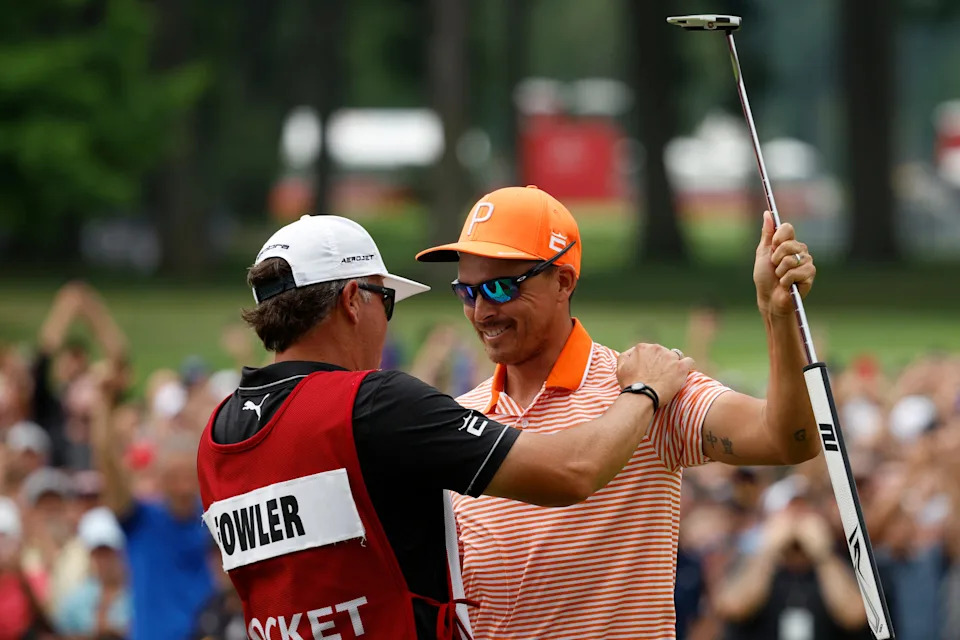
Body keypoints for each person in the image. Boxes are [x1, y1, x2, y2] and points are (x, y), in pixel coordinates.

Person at [196, 214, 694, 640]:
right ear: (352, 300)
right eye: (385, 301)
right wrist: (644, 392)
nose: (386, 323)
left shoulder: (217, 435)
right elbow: (574, 472)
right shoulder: (373, 403)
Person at [414, 185, 822, 639]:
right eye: (466, 292)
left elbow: (789, 439)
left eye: (500, 287)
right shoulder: (460, 416)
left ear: (563, 281)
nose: (483, 310)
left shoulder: (645, 383)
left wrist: (777, 315)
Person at [92, 365, 214, 640]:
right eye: (173, 476)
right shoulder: (141, 518)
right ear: (160, 478)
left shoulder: (213, 519)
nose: (182, 485)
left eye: (187, 475)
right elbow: (108, 464)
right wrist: (103, 405)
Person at [714, 499, 868, 640]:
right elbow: (733, 607)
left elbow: (855, 616)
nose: (796, 524)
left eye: (804, 514)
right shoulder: (749, 560)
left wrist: (823, 554)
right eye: (789, 514)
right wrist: (768, 551)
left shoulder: (840, 561)